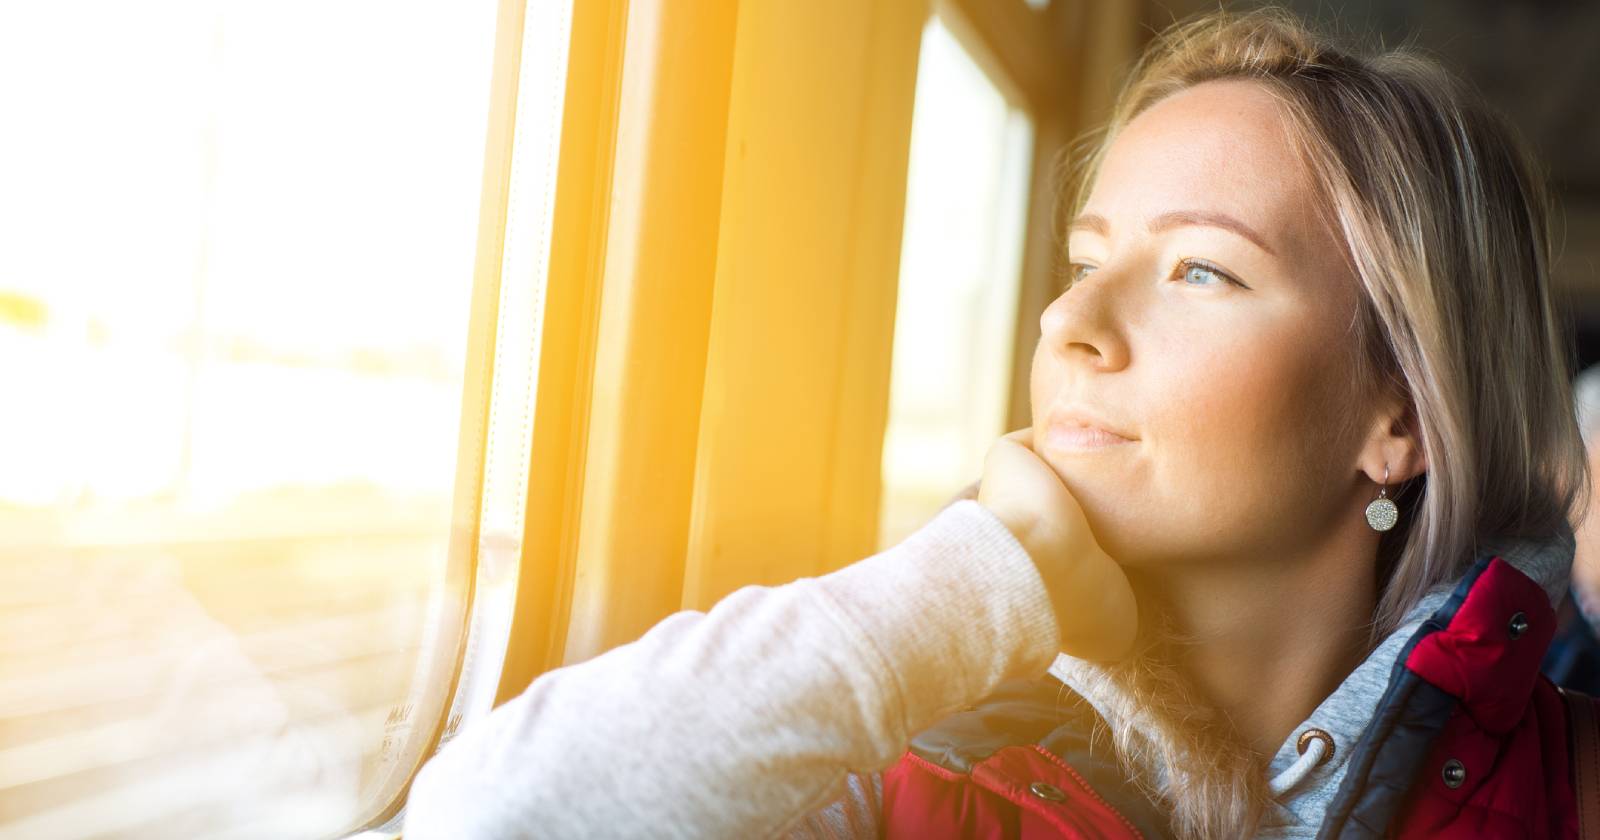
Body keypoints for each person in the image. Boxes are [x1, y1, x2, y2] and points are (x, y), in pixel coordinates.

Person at [403, 8, 1590, 839]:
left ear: (1398, 417)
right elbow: (487, 820)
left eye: (1200, 273)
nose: (1070, 319)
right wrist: (971, 585)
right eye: (1084, 260)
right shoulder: (904, 769)